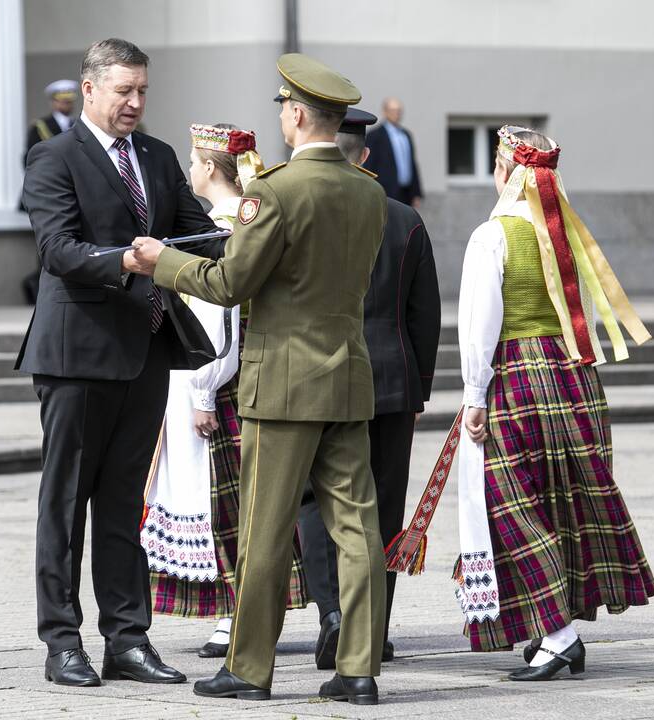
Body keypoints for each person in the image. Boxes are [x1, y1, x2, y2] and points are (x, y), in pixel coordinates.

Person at [132, 53, 388, 706]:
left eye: (284, 109)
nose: (282, 118)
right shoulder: (368, 191)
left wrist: (164, 262)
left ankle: (249, 669)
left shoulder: (273, 191)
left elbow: (228, 283)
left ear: (298, 115)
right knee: (357, 532)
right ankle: (358, 668)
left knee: (265, 533)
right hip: (348, 380)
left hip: (282, 386)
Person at [15, 38, 226, 689]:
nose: (135, 103)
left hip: (146, 352)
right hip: (76, 356)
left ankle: (127, 640)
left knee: (121, 504)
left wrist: (249, 217)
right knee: (66, 503)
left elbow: (200, 231)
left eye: (142, 92)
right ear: (90, 88)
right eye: (123, 91)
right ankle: (62, 642)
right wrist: (128, 261)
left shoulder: (159, 158)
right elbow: (58, 250)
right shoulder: (53, 157)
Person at [455, 125, 654, 680]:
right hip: (573, 378)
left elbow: (479, 326)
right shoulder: (563, 232)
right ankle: (554, 629)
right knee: (559, 503)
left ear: (504, 173)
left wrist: (475, 395)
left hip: (517, 379)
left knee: (512, 505)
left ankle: (561, 634)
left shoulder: (491, 236)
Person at [140, 122, 309, 660]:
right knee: (238, 499)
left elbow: (219, 315)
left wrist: (203, 391)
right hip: (226, 376)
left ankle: (235, 613)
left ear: (210, 168)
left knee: (223, 500)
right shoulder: (247, 219)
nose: (190, 171)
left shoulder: (221, 227)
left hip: (215, 378)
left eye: (194, 161)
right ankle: (236, 611)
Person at [297, 107, 441, 670]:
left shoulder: (306, 206)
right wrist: (420, 389)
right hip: (391, 382)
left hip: (320, 375)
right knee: (383, 505)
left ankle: (334, 614)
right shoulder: (404, 218)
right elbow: (423, 315)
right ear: (368, 156)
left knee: (316, 499)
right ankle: (373, 630)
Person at [21, 79, 80, 303]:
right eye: (62, 101)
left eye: (69, 101)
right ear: (53, 102)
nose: (66, 105)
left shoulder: (77, 125)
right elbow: (30, 160)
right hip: (54, 192)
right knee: (49, 242)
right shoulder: (40, 127)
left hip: (77, 192)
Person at [363, 97, 423, 208]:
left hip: (406, 192)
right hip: (386, 192)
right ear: (385, 112)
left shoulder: (406, 135)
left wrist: (416, 193)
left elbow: (412, 164)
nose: (397, 114)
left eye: (399, 111)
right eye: (393, 110)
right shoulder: (375, 136)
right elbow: (369, 165)